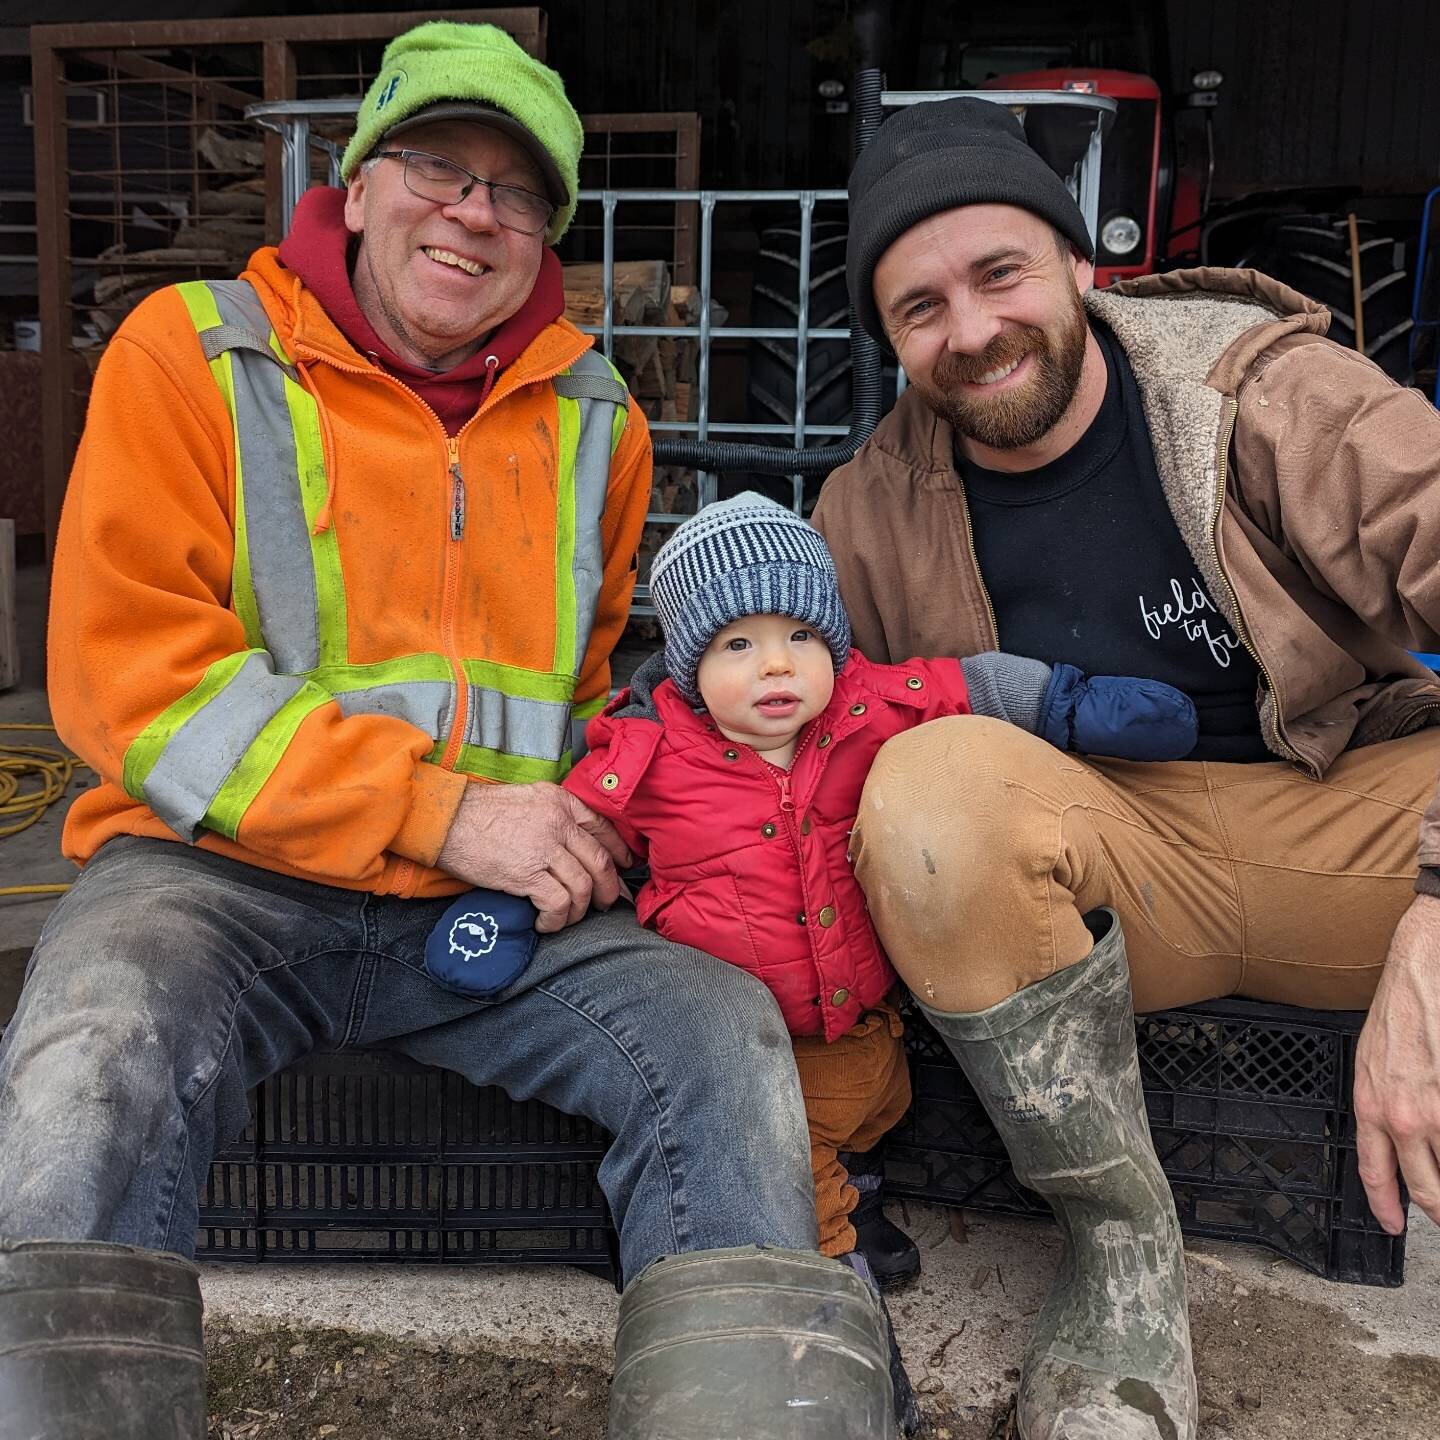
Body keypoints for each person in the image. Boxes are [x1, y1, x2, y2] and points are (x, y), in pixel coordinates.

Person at [0, 24, 895, 1439]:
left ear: (546, 235)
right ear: (356, 187)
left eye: (517, 191)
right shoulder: (194, 355)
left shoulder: (595, 414)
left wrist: (671, 804)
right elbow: (136, 683)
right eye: (436, 166)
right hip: (216, 880)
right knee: (93, 1040)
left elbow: (591, 686)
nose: (474, 212)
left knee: (722, 1038)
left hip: (497, 917)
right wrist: (441, 811)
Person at [812, 94, 1440, 1440]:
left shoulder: (1264, 393)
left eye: (999, 274)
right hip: (1106, 873)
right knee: (919, 796)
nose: (971, 330)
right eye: (919, 307)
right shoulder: (867, 510)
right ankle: (1119, 1258)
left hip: (1355, 831)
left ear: (1078, 265)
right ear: (889, 338)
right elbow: (793, 748)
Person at [562, 491, 1199, 1427]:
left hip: (864, 1013)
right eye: (738, 644)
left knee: (878, 1110)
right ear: (692, 663)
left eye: (800, 638)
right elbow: (578, 830)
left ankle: (857, 1200)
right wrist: (505, 909)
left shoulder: (866, 707)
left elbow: (961, 688)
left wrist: (1069, 702)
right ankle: (835, 1298)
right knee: (799, 1163)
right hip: (752, 1039)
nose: (776, 664)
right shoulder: (650, 758)